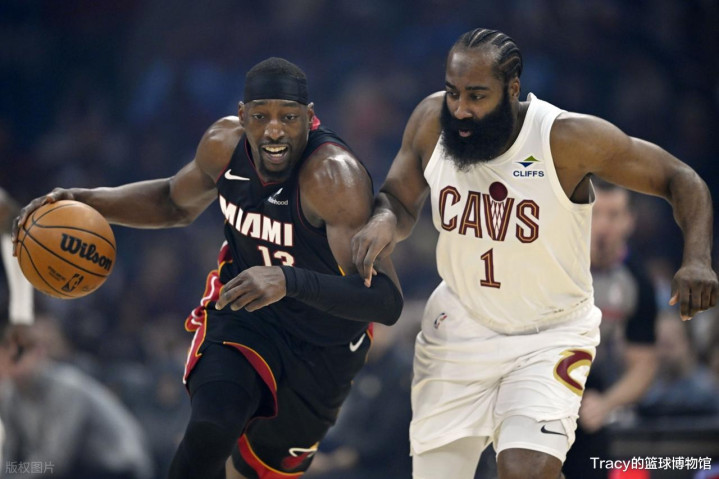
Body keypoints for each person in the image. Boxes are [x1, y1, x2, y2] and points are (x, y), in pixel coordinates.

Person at [351, 28, 718, 479]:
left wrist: (697, 258)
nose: (460, 108)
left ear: (512, 90)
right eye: (453, 92)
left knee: (525, 470)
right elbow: (398, 198)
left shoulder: (565, 139)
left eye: (476, 96)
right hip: (459, 327)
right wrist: (384, 219)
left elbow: (680, 177)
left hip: (548, 334)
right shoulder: (431, 120)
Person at [11, 57, 403, 479]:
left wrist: (288, 280)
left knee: (255, 472)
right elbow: (172, 202)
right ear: (242, 116)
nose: (274, 130)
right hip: (246, 316)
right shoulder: (223, 145)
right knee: (211, 429)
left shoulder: (334, 179)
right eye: (261, 117)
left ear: (309, 118)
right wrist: (87, 201)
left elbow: (384, 300)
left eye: (288, 118)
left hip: (322, 346)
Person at [563, 180, 658, 479]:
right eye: (596, 213)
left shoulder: (637, 281)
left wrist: (606, 404)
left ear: (629, 221)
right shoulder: (555, 264)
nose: (603, 226)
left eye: (614, 215)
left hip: (591, 393)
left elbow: (644, 365)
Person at [0, 321, 155, 479]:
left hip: (117, 467)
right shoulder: (11, 395)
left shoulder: (67, 387)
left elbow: (55, 460)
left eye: (18, 354)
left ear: (39, 353)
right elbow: (11, 455)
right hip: (78, 469)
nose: (11, 360)